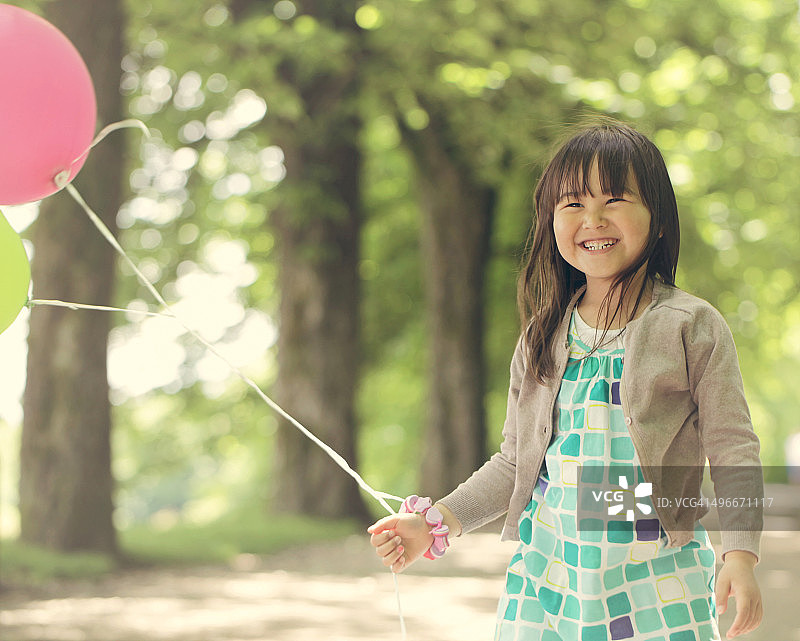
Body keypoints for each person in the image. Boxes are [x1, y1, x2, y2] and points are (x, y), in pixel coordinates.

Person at [368, 119, 763, 641]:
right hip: (551, 580)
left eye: (616, 199)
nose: (593, 219)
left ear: (660, 219)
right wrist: (433, 523)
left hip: (656, 575)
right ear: (551, 221)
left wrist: (741, 553)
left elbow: (732, 448)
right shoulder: (542, 337)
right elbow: (514, 464)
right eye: (573, 204)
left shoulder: (691, 326)